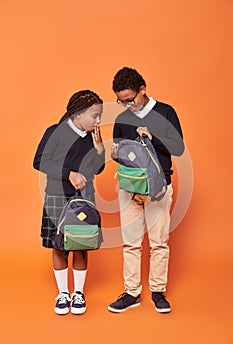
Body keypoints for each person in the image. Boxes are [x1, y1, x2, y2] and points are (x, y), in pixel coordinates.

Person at [108, 67, 184, 313]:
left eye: (130, 100)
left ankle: (158, 292)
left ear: (143, 90)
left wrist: (154, 137)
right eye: (122, 102)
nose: (127, 106)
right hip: (129, 187)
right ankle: (132, 293)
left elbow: (178, 148)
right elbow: (126, 154)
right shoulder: (122, 119)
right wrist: (116, 155)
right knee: (130, 243)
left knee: (158, 242)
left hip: (158, 188)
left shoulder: (165, 112)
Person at [33, 90, 105, 315]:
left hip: (84, 198)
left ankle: (78, 293)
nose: (98, 120)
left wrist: (100, 150)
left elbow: (98, 168)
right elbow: (39, 161)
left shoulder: (93, 137)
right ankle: (63, 292)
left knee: (81, 245)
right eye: (95, 115)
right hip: (57, 196)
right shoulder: (55, 132)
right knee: (58, 245)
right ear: (79, 114)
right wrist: (69, 173)